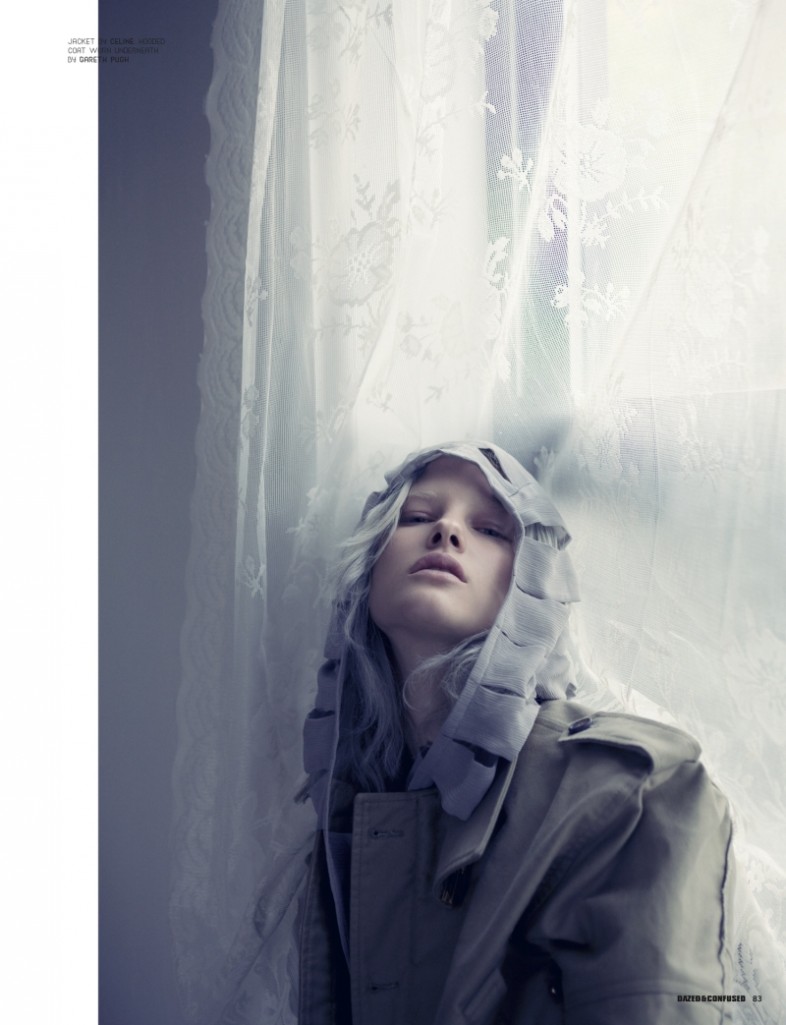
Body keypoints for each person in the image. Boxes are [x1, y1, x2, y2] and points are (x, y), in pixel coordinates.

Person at [298, 441, 735, 1024]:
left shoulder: (633, 789)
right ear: (367, 567)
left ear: (534, 583)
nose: (447, 531)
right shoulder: (345, 812)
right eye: (417, 516)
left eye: (490, 530)